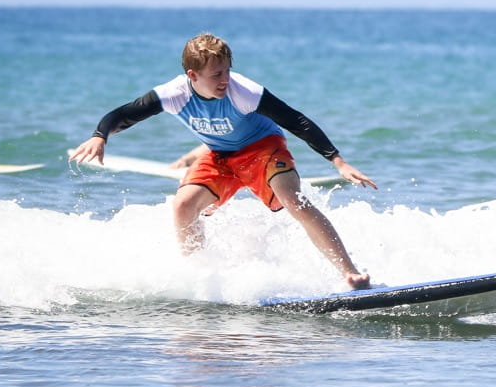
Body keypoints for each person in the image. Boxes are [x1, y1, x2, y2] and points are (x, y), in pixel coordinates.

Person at [69, 33, 378, 289]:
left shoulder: (243, 91)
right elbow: (122, 115)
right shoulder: (173, 94)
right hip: (219, 156)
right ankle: (199, 278)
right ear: (193, 75)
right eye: (217, 74)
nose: (225, 79)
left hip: (264, 149)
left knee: (293, 200)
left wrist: (337, 161)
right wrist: (100, 135)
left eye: (227, 70)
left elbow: (296, 120)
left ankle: (350, 273)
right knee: (183, 205)